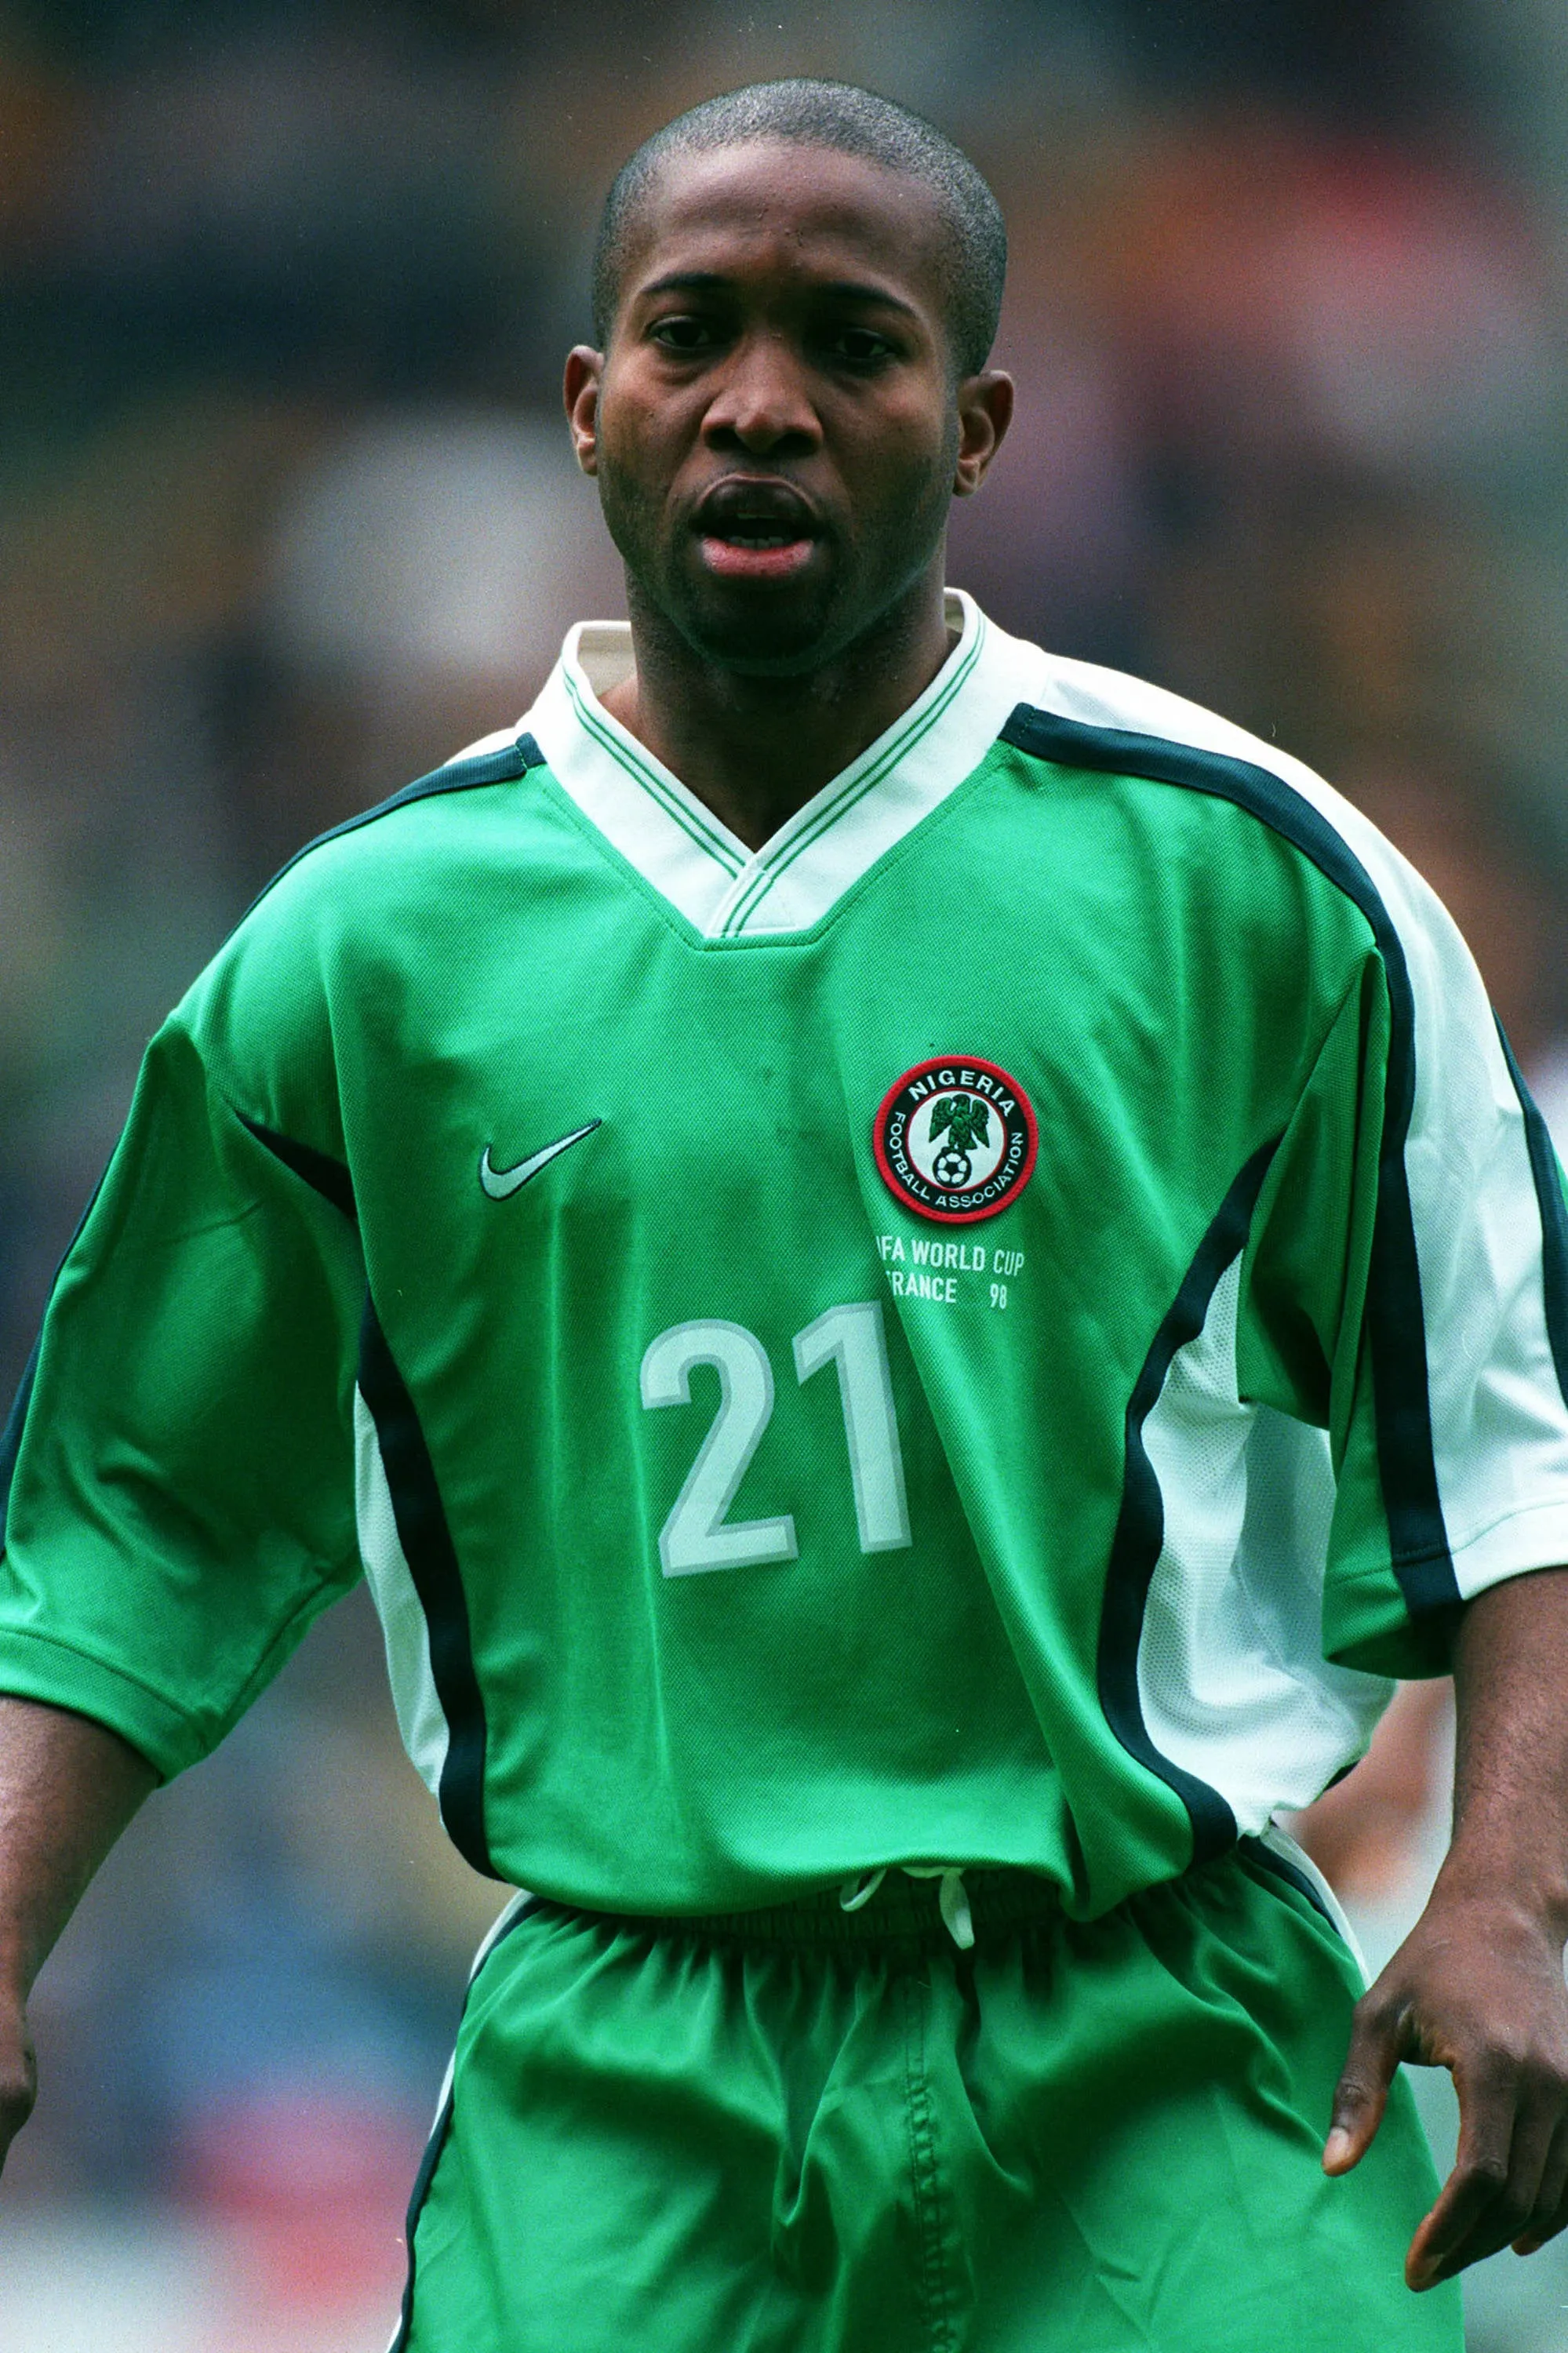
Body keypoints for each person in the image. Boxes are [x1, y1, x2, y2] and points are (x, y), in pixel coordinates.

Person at [2, 76, 1568, 2353]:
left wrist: (1513, 1891)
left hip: (1158, 2030)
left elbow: (1505, 1425)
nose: (758, 405)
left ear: (977, 425)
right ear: (586, 403)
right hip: (634, 2074)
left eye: (849, 344)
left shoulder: (1248, 879)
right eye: (688, 334)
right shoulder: (363, 954)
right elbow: (138, 1519)